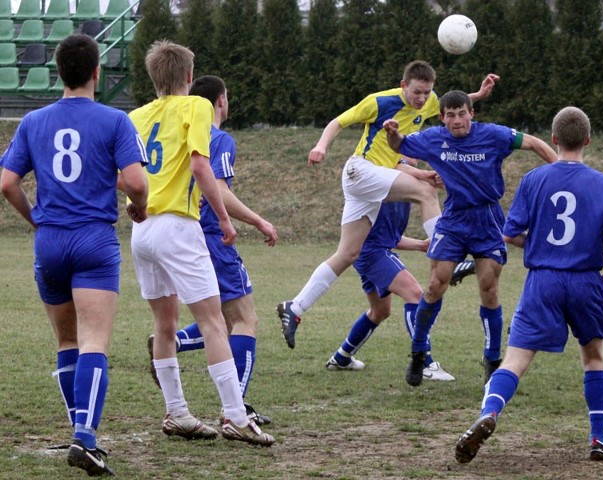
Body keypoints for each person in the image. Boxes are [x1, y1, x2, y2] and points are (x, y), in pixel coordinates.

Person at [0, 33, 149, 477]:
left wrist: (37, 222)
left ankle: (77, 425)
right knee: (94, 342)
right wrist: (137, 209)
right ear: (97, 72)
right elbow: (138, 183)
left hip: (51, 241)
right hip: (93, 241)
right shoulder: (114, 120)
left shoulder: (33, 120)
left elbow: (7, 182)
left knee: (66, 342)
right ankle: (85, 436)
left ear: (58, 73)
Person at [277, 61, 497, 349]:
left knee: (347, 253)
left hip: (372, 181)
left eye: (427, 93)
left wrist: (478, 95)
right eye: (417, 92)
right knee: (425, 192)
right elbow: (338, 122)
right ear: (404, 86)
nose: (422, 99)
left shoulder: (429, 102)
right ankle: (445, 256)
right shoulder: (379, 101)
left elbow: (446, 108)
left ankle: (294, 308)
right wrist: (321, 146)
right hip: (360, 171)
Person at [455, 106, 603, 464]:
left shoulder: (534, 180)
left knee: (516, 360)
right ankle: (599, 439)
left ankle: (489, 413)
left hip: (542, 281)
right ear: (587, 140)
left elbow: (509, 233)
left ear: (553, 139)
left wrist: (536, 245)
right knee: (594, 357)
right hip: (586, 281)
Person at [128, 41, 274, 446]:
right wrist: (226, 219)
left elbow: (125, 171)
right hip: (178, 224)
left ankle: (177, 413)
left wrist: (131, 203)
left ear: (153, 77)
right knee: (214, 322)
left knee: (164, 324)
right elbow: (199, 164)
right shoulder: (197, 107)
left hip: (143, 228)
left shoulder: (136, 116)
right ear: (189, 78)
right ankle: (235, 416)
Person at [383, 90, 558, 387]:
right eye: (450, 115)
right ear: (442, 118)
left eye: (462, 113)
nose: (457, 120)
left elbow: (533, 142)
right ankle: (418, 352)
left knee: (489, 289)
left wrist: (563, 169)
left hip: (487, 221)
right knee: (436, 285)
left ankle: (492, 360)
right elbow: (400, 145)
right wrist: (392, 134)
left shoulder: (493, 135)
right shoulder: (434, 138)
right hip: (453, 220)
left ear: (471, 114)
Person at [326, 195, 459, 381]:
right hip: (371, 253)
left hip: (370, 251)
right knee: (415, 294)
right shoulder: (383, 183)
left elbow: (390, 238)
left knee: (380, 311)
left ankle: (342, 357)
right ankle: (425, 363)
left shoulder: (402, 191)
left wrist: (421, 245)